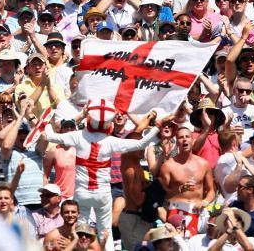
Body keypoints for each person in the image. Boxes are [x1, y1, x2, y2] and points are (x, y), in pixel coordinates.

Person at [44, 99, 164, 251]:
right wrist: (157, 127)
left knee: (82, 231)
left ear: (89, 119)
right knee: (105, 232)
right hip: (103, 194)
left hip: (82, 193)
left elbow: (50, 136)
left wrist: (45, 124)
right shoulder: (111, 141)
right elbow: (140, 144)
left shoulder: (77, 136)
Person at [159, 126, 216, 237]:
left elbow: (211, 191)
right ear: (177, 142)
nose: (184, 139)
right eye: (181, 137)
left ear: (192, 140)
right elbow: (162, 194)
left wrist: (204, 202)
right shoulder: (168, 166)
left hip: (198, 210)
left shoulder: (203, 164)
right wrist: (179, 190)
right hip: (176, 211)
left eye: (187, 137)